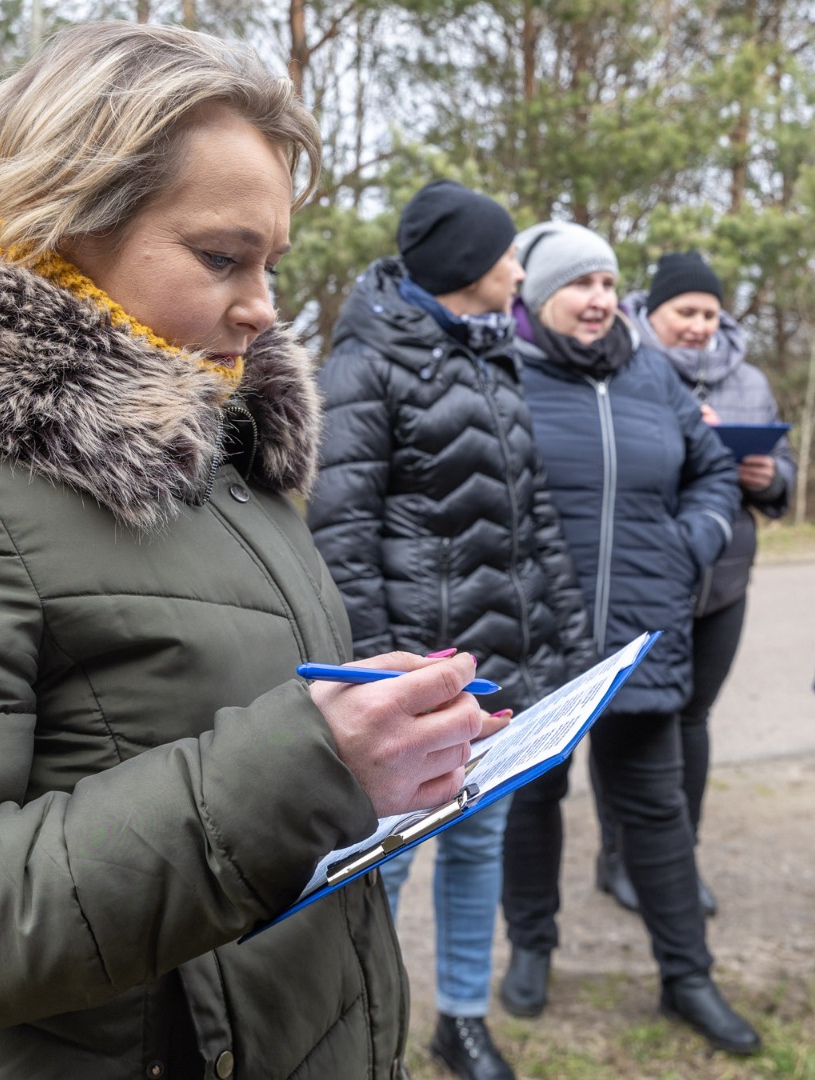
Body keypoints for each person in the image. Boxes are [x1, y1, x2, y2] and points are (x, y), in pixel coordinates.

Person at [0, 23, 505, 1080]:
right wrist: (304, 769)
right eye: (222, 258)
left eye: (271, 262)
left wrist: (378, 746)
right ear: (61, 222)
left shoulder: (219, 456)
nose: (262, 307)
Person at [306, 179, 593, 1080]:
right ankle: (366, 1026)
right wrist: (380, 683)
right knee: (380, 868)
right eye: (507, 252)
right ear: (468, 265)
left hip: (496, 671)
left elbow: (532, 520)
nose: (519, 268)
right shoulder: (367, 363)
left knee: (478, 846)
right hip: (416, 682)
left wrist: (566, 650)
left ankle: (461, 1018)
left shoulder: (494, 354)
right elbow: (341, 535)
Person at [494, 221, 759, 1056]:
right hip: (539, 640)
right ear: (537, 293)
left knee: (655, 812)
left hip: (643, 638)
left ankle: (688, 977)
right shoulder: (504, 373)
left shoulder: (652, 375)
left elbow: (714, 468)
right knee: (533, 802)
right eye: (580, 283)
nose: (600, 299)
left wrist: (694, 541)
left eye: (609, 284)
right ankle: (532, 947)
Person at [592, 251, 796, 917]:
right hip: (647, 582)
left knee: (694, 718)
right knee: (627, 721)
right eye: (686, 312)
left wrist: (772, 480)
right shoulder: (618, 371)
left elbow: (783, 468)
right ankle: (617, 855)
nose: (700, 325)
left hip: (725, 584)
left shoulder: (750, 381)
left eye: (710, 313)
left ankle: (680, 854)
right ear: (653, 313)